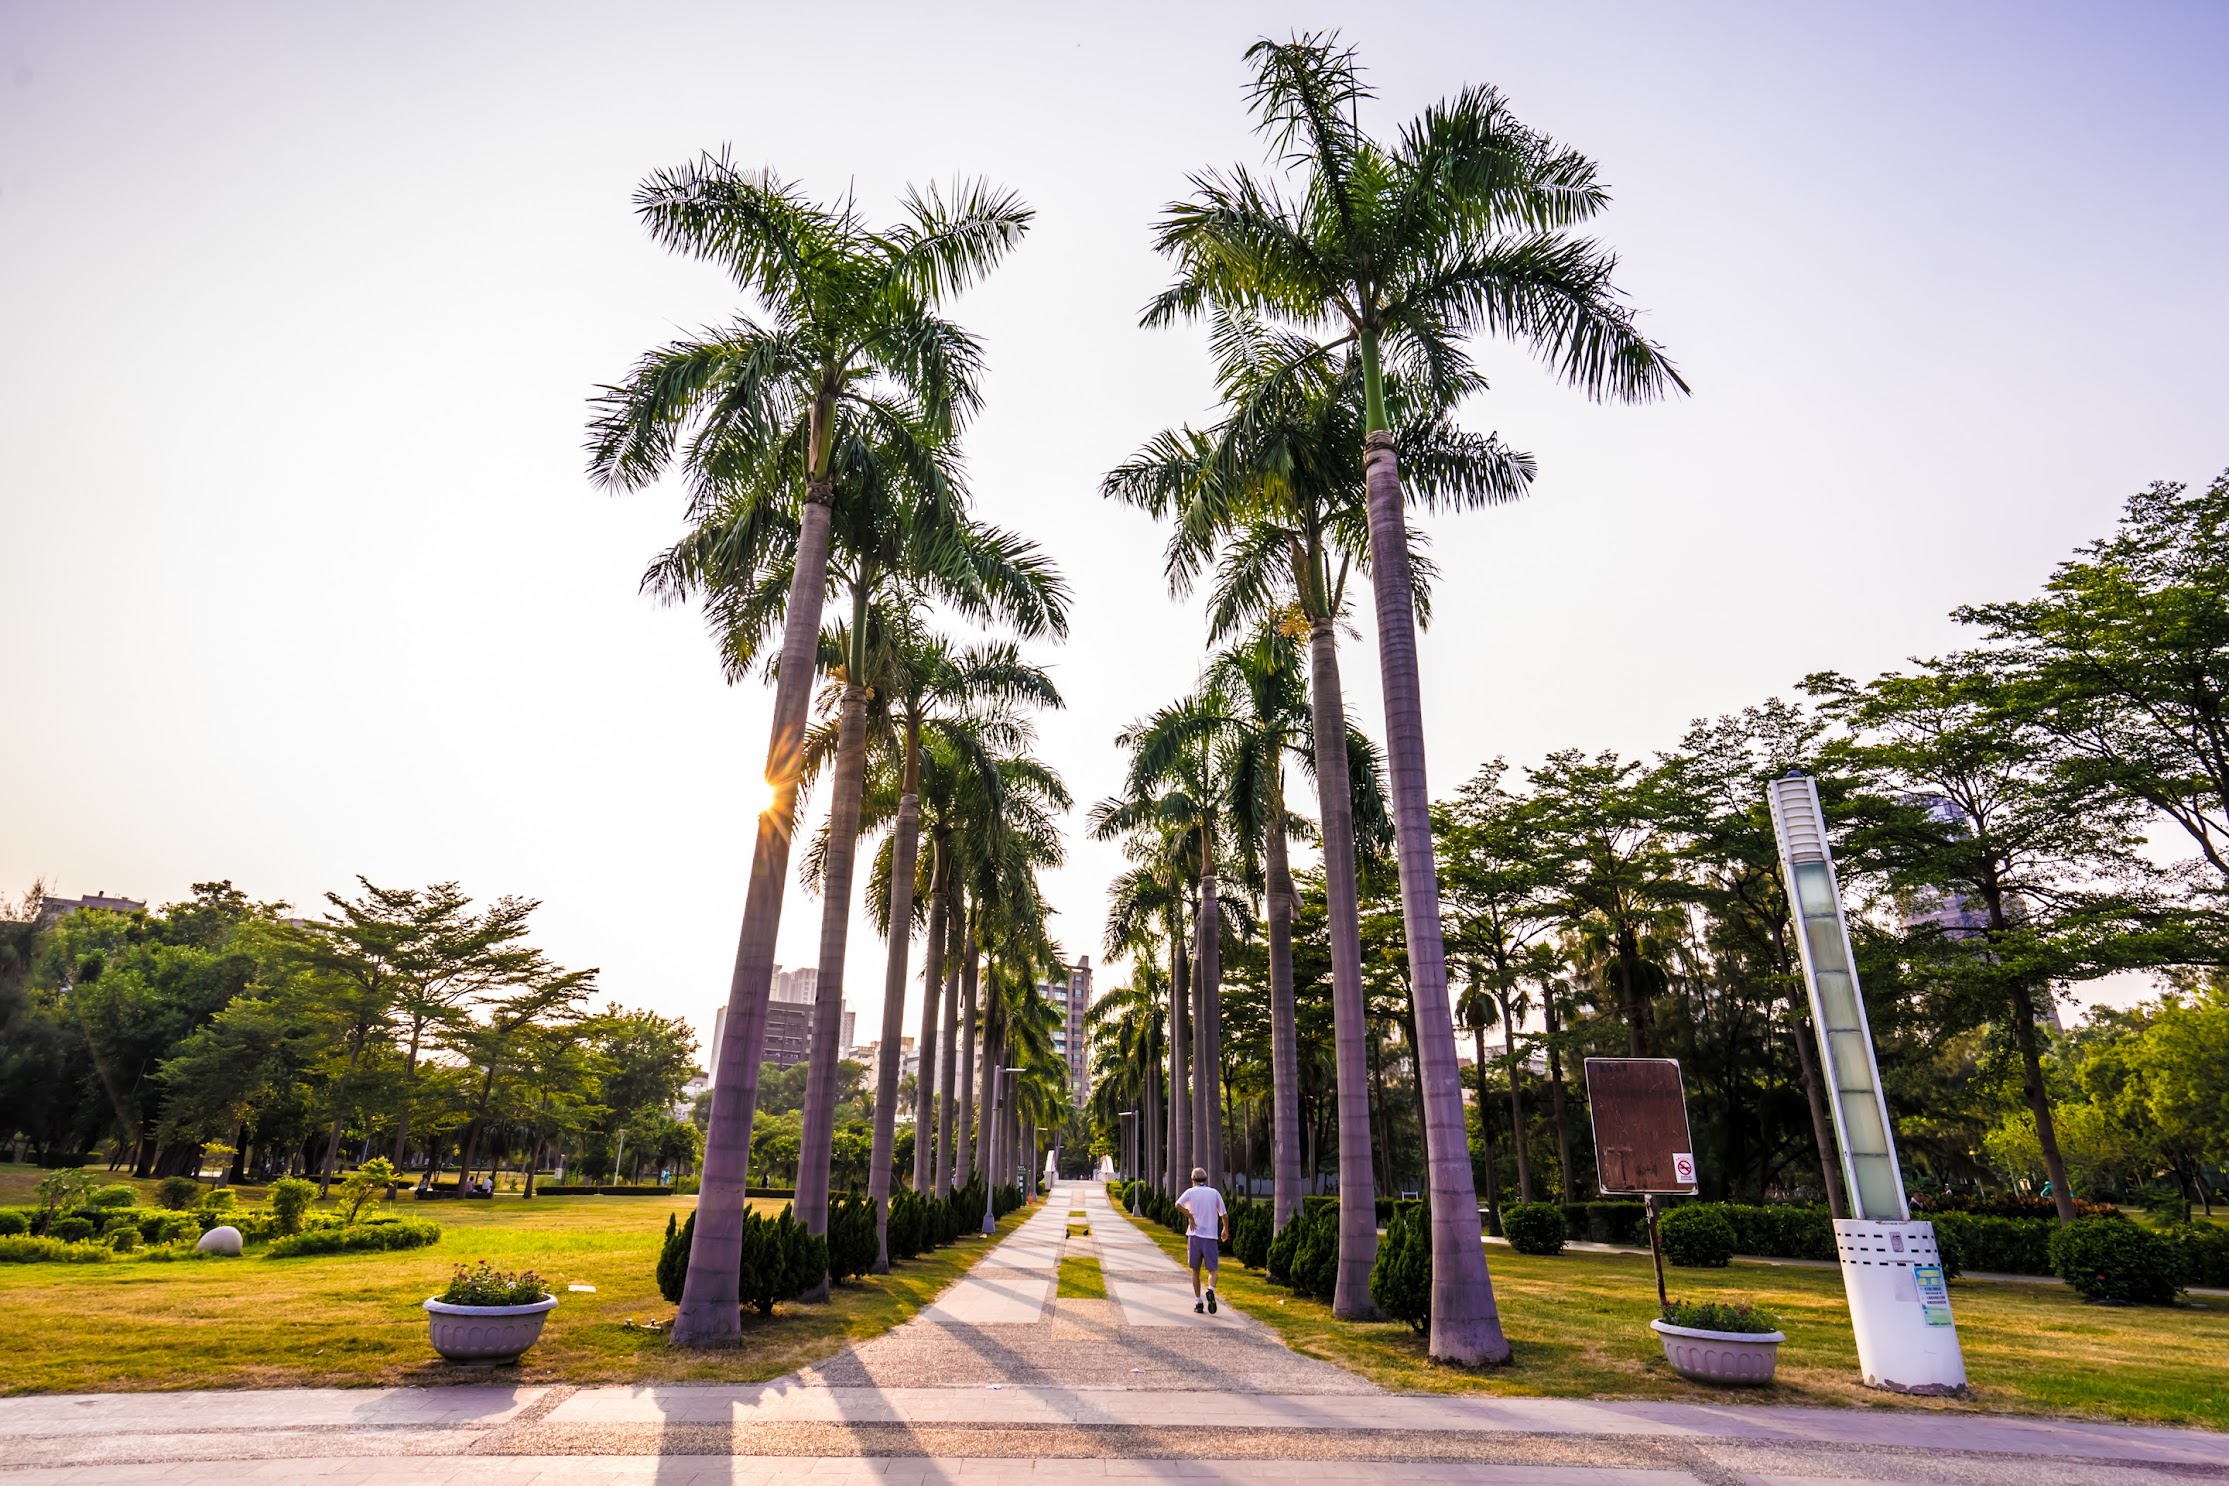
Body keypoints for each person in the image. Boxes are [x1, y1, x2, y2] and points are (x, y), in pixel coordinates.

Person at [1175, 1166, 1228, 1315]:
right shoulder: (1214, 1193)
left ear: (1193, 1180)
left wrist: (1190, 1216)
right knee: (1213, 1270)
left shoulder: (1190, 1192)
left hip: (1194, 1236)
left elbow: (1177, 1204)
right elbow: (1224, 1214)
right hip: (1210, 1237)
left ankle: (1198, 1302)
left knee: (1195, 1270)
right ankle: (1210, 1290)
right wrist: (1225, 1229)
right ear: (1206, 1179)